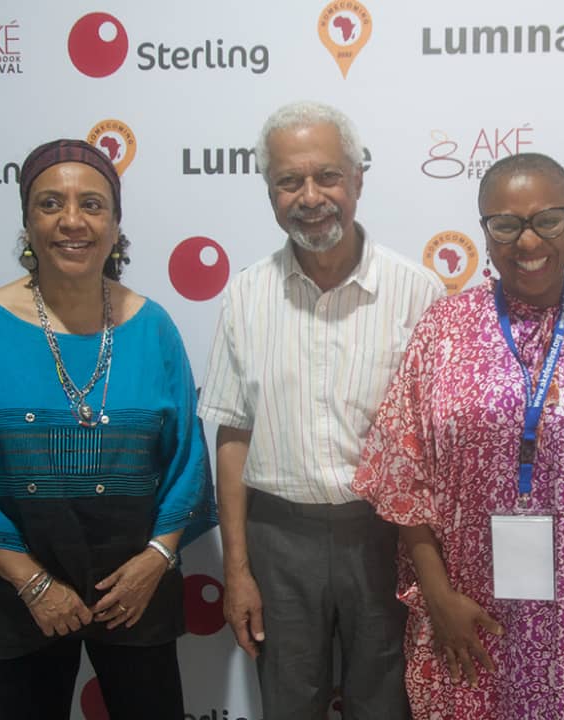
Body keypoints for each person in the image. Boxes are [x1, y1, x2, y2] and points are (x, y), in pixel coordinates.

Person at [353, 152, 564, 719]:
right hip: (469, 611)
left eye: (547, 219)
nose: (528, 241)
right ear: (485, 231)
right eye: (506, 224)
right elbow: (402, 476)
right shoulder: (444, 328)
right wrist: (438, 597)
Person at [0, 139, 217, 720]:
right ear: (27, 220)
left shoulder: (154, 328)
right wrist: (33, 585)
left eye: (92, 204)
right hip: (17, 591)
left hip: (137, 591)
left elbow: (187, 466)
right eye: (51, 203)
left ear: (116, 223)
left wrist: (157, 557)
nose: (72, 221)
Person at [197, 101, 444, 719]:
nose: (311, 197)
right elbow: (233, 435)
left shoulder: (418, 293)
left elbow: (440, 445)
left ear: (358, 178)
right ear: (269, 191)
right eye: (289, 181)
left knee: (388, 706)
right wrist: (238, 569)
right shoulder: (247, 294)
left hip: (384, 537)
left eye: (327, 176)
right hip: (278, 539)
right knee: (288, 704)